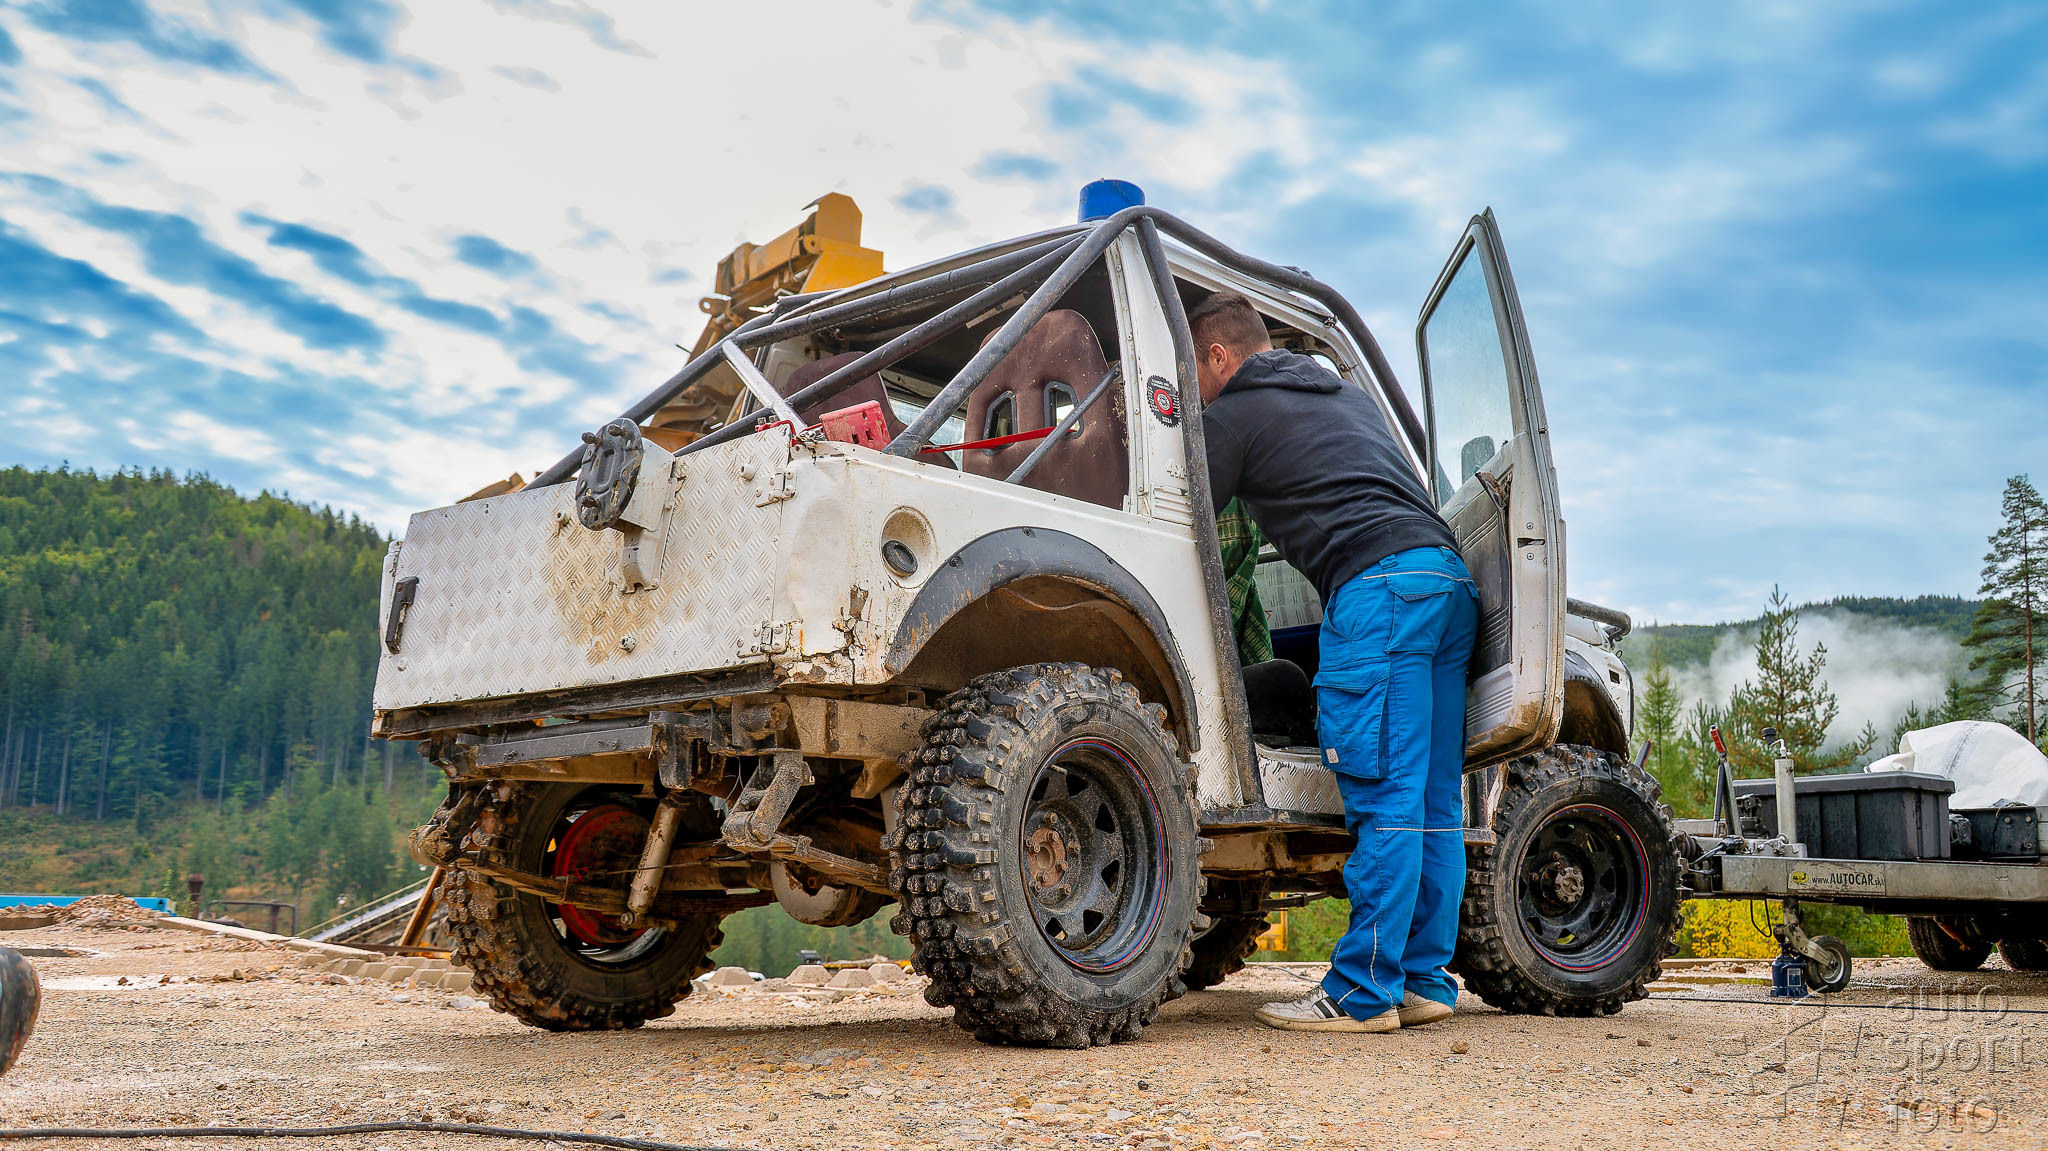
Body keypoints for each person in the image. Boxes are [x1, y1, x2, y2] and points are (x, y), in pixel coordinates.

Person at [1192, 290, 1478, 1034]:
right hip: (1447, 582)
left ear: (1219, 355)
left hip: (1378, 592)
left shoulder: (1234, 414)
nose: (1196, 389)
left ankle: (1360, 992)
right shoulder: (1344, 397)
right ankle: (1423, 980)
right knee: (1433, 802)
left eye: (1195, 371)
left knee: (1384, 795)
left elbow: (1183, 516)